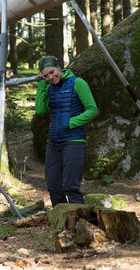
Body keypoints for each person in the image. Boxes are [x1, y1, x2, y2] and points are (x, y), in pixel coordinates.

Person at [35, 56, 98, 207]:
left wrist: (71, 123)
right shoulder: (49, 87)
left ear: (59, 68)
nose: (51, 77)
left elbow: (92, 110)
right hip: (53, 143)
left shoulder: (77, 82)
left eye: (52, 72)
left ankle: (81, 223)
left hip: (74, 142)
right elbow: (40, 110)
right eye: (46, 76)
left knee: (70, 186)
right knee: (54, 187)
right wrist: (41, 85)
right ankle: (61, 223)